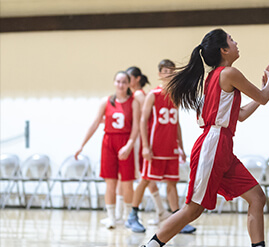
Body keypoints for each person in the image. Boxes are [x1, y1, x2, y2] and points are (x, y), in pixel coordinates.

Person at [125, 28, 269, 247]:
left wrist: (266, 89)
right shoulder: (228, 73)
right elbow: (261, 97)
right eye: (231, 40)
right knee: (193, 210)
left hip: (223, 145)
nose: (236, 42)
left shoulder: (215, 77)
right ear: (223, 50)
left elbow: (240, 114)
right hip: (212, 146)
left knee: (257, 197)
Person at [125, 60, 195, 234]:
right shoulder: (153, 95)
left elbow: (176, 123)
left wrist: (181, 147)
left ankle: (177, 220)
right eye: (165, 71)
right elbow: (142, 121)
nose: (169, 74)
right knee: (145, 180)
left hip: (170, 147)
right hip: (155, 147)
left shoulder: (176, 95)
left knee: (172, 183)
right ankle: (132, 215)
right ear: (159, 74)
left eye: (171, 71)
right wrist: (146, 147)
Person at [75, 71, 140, 229]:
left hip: (125, 142)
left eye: (124, 82)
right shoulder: (106, 101)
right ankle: (111, 217)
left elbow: (137, 126)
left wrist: (129, 145)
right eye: (118, 81)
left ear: (128, 84)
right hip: (108, 142)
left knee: (127, 183)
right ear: (114, 83)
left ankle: (126, 217)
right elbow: (95, 123)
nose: (120, 84)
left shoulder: (134, 102)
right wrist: (81, 145)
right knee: (110, 183)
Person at [126, 66, 170, 224]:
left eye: (128, 78)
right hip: (140, 139)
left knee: (144, 177)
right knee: (147, 178)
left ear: (137, 79)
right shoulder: (136, 94)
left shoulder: (139, 94)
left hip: (140, 140)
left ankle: (132, 213)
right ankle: (161, 211)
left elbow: (149, 114)